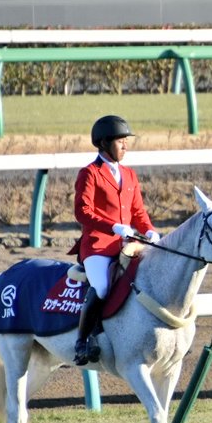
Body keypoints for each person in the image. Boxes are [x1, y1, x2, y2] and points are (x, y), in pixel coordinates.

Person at [70, 115, 160, 365]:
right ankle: (82, 342)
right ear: (104, 144)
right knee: (101, 287)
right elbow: (82, 212)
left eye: (126, 141)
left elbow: (138, 212)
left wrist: (149, 230)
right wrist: (113, 226)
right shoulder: (90, 173)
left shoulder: (129, 174)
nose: (125, 145)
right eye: (120, 141)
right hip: (98, 246)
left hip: (127, 244)